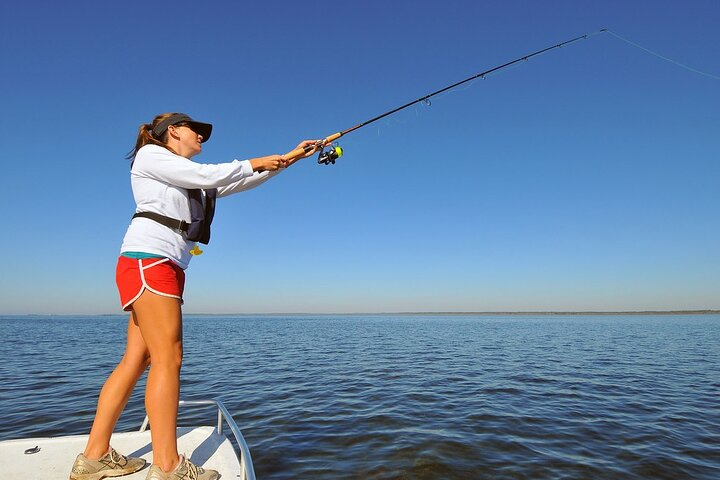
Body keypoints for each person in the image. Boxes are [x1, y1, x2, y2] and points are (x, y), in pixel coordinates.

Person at [69, 112, 321, 480]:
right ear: (173, 131)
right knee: (168, 359)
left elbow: (239, 181)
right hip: (151, 261)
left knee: (137, 360)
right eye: (195, 130)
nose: (202, 136)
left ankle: (94, 455)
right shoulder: (152, 157)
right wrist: (254, 160)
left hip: (158, 264)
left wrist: (291, 157)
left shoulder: (185, 177)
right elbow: (212, 174)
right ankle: (168, 466)